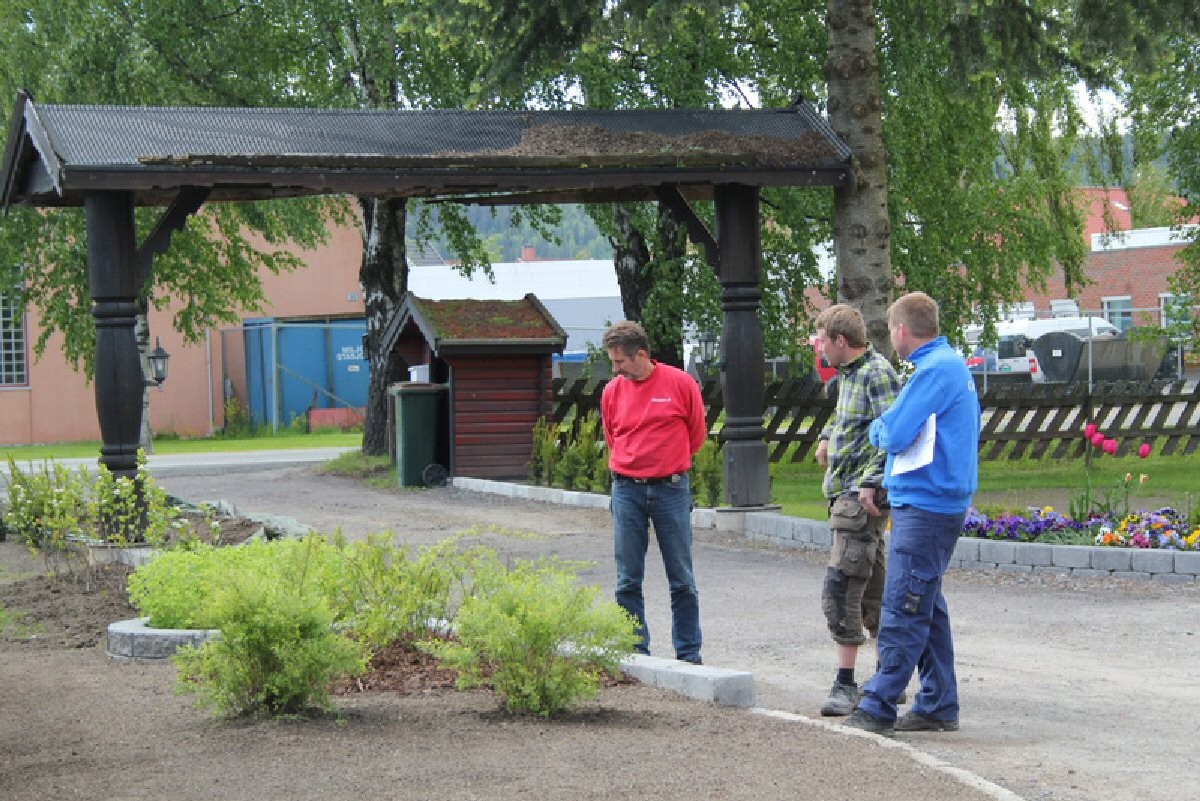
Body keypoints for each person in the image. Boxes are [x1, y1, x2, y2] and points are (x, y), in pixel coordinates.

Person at [844, 291, 981, 737]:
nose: (891, 338)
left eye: (891, 330)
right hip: (936, 502)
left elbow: (895, 432)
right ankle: (938, 704)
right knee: (927, 604)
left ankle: (878, 705)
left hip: (925, 505)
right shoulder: (947, 366)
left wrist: (878, 429)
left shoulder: (933, 372)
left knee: (904, 603)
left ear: (902, 330)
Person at [601, 321, 708, 664]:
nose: (615, 369)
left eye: (620, 361)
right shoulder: (612, 391)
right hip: (626, 489)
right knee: (627, 578)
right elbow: (612, 435)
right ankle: (635, 649)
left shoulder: (680, 384)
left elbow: (696, 434)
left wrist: (668, 462)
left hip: (670, 489)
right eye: (613, 362)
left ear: (642, 355)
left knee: (682, 578)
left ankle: (688, 653)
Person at [812, 304, 901, 716]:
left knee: (843, 586)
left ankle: (845, 684)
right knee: (875, 590)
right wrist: (826, 436)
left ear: (840, 341)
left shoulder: (877, 374)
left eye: (822, 342)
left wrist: (870, 481)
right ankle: (888, 678)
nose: (820, 349)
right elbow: (846, 417)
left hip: (859, 498)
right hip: (846, 496)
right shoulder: (850, 374)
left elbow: (893, 432)